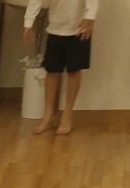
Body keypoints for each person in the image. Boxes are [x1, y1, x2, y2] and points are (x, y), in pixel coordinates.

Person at [23, 0, 99, 135]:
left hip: (79, 28)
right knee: (52, 71)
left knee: (74, 71)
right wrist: (28, 22)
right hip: (55, 28)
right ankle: (48, 113)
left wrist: (90, 16)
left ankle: (67, 115)